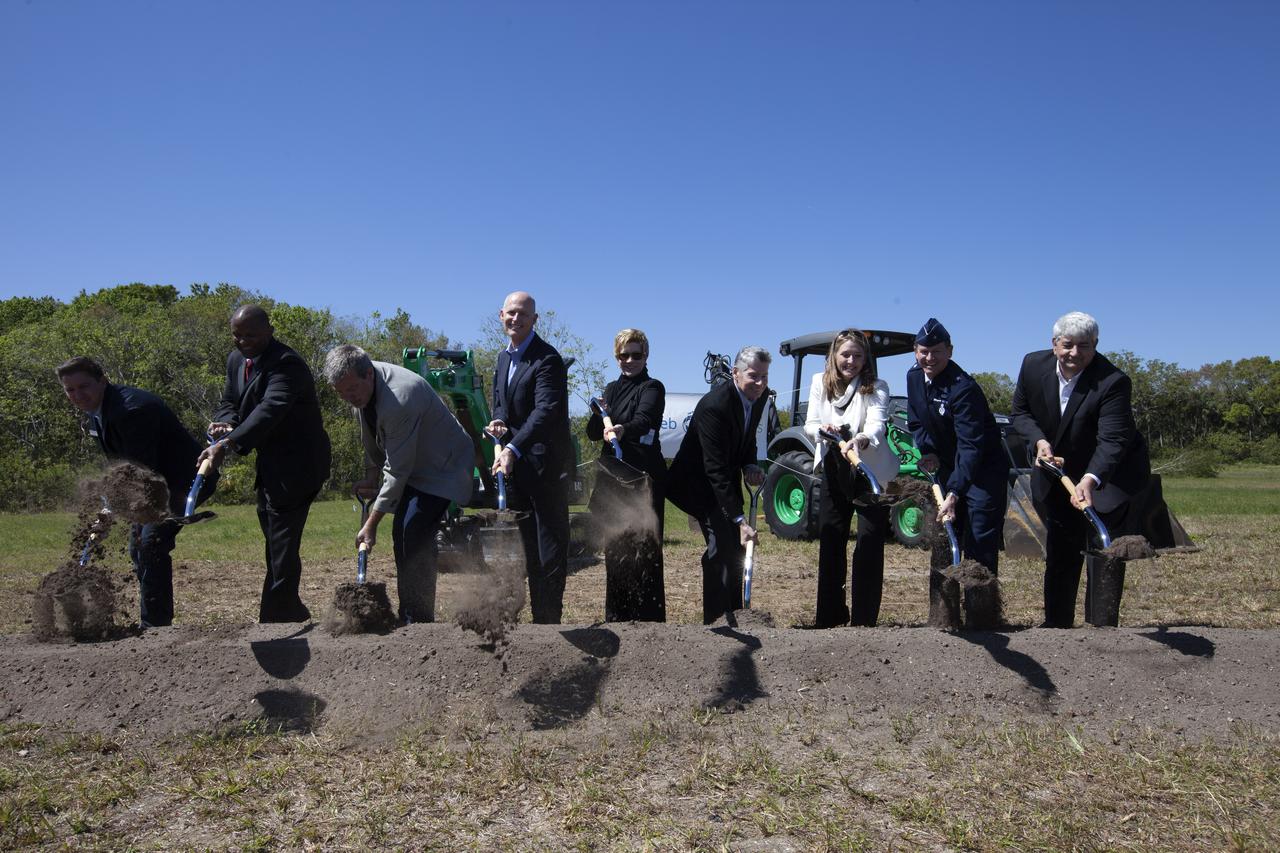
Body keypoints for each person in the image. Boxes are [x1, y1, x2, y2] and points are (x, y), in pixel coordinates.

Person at [1011, 311, 1151, 628]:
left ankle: (1100, 627)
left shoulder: (1112, 381)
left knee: (1103, 548)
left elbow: (1113, 440)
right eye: (1068, 345)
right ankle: (1058, 626)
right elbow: (1020, 413)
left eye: (1084, 346)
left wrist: (1089, 480)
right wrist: (1039, 442)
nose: (1075, 353)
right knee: (1061, 546)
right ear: (1054, 344)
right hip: (1056, 469)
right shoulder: (1032, 365)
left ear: (1096, 345)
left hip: (1109, 475)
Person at [56, 357, 217, 628]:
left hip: (179, 482)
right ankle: (152, 620)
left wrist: (111, 510)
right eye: (70, 390)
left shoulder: (129, 411)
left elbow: (142, 472)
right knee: (138, 547)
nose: (77, 395)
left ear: (103, 381)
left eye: (84, 386)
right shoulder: (97, 415)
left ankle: (155, 628)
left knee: (150, 544)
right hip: (150, 482)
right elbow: (121, 468)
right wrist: (108, 508)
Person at [323, 345, 474, 623]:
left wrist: (370, 525)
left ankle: (418, 618)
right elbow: (371, 437)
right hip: (414, 463)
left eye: (352, 390)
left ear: (368, 374)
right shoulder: (361, 388)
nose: (348, 397)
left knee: (413, 529)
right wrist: (370, 474)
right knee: (403, 533)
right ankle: (410, 613)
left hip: (444, 466)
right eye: (341, 393)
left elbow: (397, 471)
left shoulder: (399, 398)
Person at [201, 305, 331, 623]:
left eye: (251, 335)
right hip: (270, 464)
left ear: (269, 331)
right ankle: (289, 609)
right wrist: (225, 424)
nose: (243, 341)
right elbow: (230, 402)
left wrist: (230, 444)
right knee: (274, 537)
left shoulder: (287, 365)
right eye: (237, 334)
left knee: (281, 540)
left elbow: (270, 409)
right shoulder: (236, 360)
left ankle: (277, 615)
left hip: (299, 464)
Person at [485, 291, 574, 624]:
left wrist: (512, 447)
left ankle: (548, 624)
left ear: (534, 320)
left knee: (549, 551)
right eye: (510, 313)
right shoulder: (503, 358)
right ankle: (534, 629)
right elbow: (500, 404)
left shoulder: (546, 359)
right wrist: (499, 424)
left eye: (523, 315)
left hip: (546, 469)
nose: (515, 319)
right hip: (518, 469)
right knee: (526, 552)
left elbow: (545, 412)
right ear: (501, 315)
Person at [667, 345, 771, 624]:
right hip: (698, 484)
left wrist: (750, 464)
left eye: (765, 376)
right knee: (722, 547)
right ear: (735, 374)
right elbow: (713, 468)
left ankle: (735, 614)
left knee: (736, 551)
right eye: (753, 376)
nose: (760, 383)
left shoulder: (759, 397)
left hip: (724, 479)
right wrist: (739, 519)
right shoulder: (715, 406)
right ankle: (715, 624)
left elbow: (748, 437)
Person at [803, 329, 901, 627]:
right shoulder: (820, 383)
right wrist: (825, 431)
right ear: (834, 355)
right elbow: (810, 424)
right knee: (832, 537)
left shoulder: (876, 386)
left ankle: (864, 620)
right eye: (846, 354)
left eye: (858, 355)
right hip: (835, 465)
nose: (851, 361)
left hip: (871, 470)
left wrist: (859, 440)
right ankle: (830, 617)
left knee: (870, 541)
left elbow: (877, 425)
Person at [905, 318, 1009, 573]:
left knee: (978, 541)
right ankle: (943, 609)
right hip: (949, 466)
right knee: (944, 535)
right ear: (915, 351)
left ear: (949, 352)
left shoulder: (963, 389)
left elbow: (970, 446)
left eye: (937, 352)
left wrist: (954, 492)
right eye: (923, 351)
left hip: (983, 471)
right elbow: (916, 421)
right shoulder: (914, 377)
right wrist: (928, 450)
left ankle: (980, 608)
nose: (929, 358)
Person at [585, 328, 667, 622]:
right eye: (624, 355)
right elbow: (594, 433)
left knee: (644, 548)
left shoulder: (653, 388)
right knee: (616, 548)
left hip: (642, 480)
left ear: (646, 356)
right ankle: (617, 617)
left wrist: (621, 428)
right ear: (616, 357)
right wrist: (599, 415)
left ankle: (648, 620)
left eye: (636, 355)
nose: (629, 360)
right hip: (613, 479)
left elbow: (644, 420)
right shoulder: (610, 390)